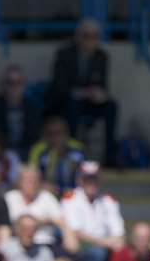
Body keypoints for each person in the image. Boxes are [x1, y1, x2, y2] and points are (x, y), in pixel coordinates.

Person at [49, 18, 117, 165]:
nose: (90, 40)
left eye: (95, 36)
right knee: (73, 105)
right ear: (78, 36)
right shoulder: (64, 54)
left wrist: (99, 94)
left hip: (90, 102)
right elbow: (59, 86)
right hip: (66, 101)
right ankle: (73, 155)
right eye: (87, 36)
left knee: (111, 106)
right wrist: (81, 92)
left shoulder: (102, 57)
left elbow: (103, 84)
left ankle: (111, 156)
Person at [61, 161, 125, 261]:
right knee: (96, 253)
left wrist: (114, 242)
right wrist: (104, 242)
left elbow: (118, 232)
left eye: (94, 179)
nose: (91, 183)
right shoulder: (70, 198)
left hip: (106, 246)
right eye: (87, 180)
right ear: (80, 180)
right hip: (82, 248)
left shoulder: (108, 200)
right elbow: (77, 232)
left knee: (123, 252)